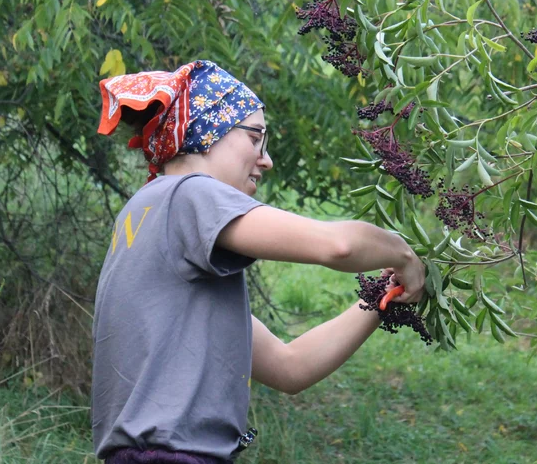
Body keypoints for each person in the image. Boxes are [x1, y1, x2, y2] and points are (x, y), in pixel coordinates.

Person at [92, 59, 425, 464]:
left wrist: (384, 296)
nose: (265, 160)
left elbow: (290, 367)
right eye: (255, 138)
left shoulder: (151, 219)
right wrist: (405, 255)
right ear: (207, 131)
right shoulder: (188, 193)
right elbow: (337, 246)